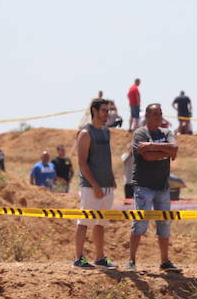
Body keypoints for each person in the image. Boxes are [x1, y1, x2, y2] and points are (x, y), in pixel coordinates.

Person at [127, 103, 181, 271]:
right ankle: (131, 260)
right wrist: (166, 151)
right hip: (144, 186)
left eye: (161, 114)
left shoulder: (167, 133)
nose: (159, 117)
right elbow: (148, 157)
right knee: (140, 223)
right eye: (156, 114)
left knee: (164, 224)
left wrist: (151, 146)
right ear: (148, 116)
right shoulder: (140, 133)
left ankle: (165, 261)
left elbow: (175, 148)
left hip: (162, 186)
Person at [73, 98, 118, 268]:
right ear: (94, 111)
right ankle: (79, 258)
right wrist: (95, 185)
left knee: (101, 222)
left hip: (106, 185)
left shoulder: (106, 132)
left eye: (108, 110)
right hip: (90, 187)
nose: (107, 114)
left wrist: (111, 178)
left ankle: (100, 257)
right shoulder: (85, 133)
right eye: (104, 110)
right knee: (85, 221)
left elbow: (106, 158)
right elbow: (82, 163)